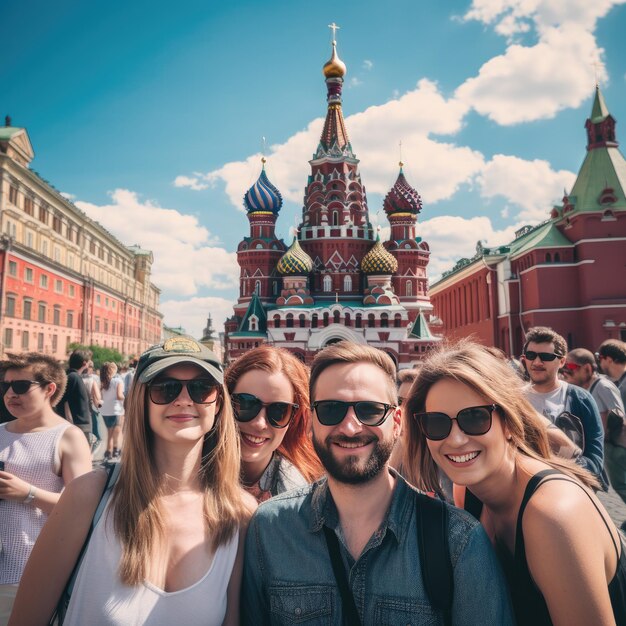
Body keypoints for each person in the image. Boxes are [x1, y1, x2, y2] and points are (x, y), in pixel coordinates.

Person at [242, 341, 513, 625]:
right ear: (310, 421)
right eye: (331, 410)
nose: (349, 427)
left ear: (396, 422)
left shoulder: (457, 541)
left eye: (370, 410)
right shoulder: (272, 528)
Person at [9, 336, 255, 626]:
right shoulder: (89, 495)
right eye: (165, 389)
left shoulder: (239, 513)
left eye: (202, 389)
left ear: (218, 404)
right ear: (141, 401)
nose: (185, 400)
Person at [405, 340, 626, 626]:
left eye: (475, 417)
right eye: (436, 423)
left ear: (509, 422)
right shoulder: (468, 491)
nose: (456, 439)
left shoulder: (553, 515)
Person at [0, 352, 92, 624]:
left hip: (31, 571)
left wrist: (28, 493)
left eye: (20, 386)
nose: (10, 394)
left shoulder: (68, 437)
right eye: (6, 386)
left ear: (49, 389)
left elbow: (83, 511)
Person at [225, 345, 321, 502]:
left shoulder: (299, 500)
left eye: (279, 411)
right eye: (246, 404)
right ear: (224, 401)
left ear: (294, 419)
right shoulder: (187, 475)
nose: (259, 423)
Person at [521, 326, 605, 483]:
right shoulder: (514, 400)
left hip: (572, 488)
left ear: (562, 361)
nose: (537, 362)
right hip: (525, 489)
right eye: (531, 355)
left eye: (546, 356)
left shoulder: (581, 399)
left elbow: (595, 462)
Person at [54, 349, 93, 445]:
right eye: (89, 362)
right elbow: (61, 401)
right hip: (79, 424)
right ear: (84, 363)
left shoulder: (71, 376)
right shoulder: (73, 377)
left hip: (77, 424)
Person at [100, 362, 125, 461]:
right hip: (116, 410)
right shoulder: (118, 381)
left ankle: (109, 451)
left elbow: (101, 397)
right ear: (112, 370)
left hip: (105, 410)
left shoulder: (103, 382)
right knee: (117, 432)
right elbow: (119, 396)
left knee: (109, 432)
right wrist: (127, 396)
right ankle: (113, 450)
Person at [598, 339, 626, 408]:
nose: (599, 362)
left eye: (600, 357)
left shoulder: (623, 387)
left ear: (609, 360)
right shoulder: (619, 383)